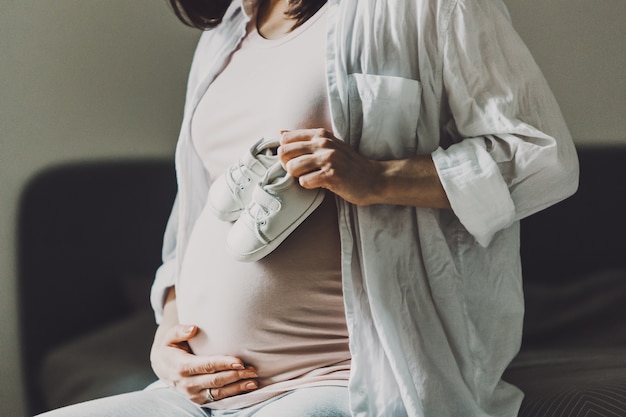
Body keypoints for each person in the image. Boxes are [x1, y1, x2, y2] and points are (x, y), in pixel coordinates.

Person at [35, 0, 579, 416]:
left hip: (345, 379)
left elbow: (539, 154)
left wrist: (379, 176)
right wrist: (170, 338)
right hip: (202, 392)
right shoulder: (228, 30)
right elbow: (196, 214)